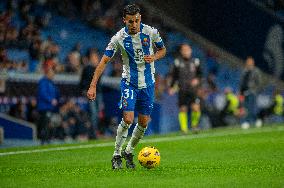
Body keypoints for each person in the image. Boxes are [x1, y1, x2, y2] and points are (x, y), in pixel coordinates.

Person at [87, 4, 166, 169]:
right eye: (131, 21)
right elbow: (103, 62)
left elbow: (163, 50)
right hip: (129, 83)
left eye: (137, 20)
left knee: (144, 122)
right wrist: (93, 85)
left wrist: (154, 57)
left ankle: (128, 150)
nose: (134, 24)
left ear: (140, 19)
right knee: (128, 119)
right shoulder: (118, 38)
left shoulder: (151, 32)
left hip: (148, 85)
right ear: (124, 20)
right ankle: (116, 154)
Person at [168, 44, 202, 133]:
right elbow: (174, 76)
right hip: (182, 89)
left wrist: (197, 80)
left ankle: (194, 126)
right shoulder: (177, 62)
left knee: (196, 108)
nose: (186, 51)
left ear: (191, 50)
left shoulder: (196, 61)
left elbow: (200, 75)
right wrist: (172, 87)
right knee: (183, 108)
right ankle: (184, 129)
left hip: (193, 89)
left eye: (188, 50)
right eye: (184, 50)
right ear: (181, 52)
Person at [36, 64, 60, 144]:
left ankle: (48, 139)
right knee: (45, 124)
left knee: (50, 124)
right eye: (52, 73)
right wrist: (51, 100)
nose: (53, 75)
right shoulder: (43, 82)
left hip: (50, 107)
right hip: (44, 107)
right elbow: (43, 93)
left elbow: (56, 93)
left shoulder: (51, 83)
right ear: (47, 73)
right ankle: (43, 140)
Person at [239, 56, 261, 129]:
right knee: (245, 108)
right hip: (244, 92)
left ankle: (252, 120)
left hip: (252, 92)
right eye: (247, 61)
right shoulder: (244, 71)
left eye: (250, 61)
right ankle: (249, 121)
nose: (248, 63)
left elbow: (259, 82)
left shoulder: (256, 71)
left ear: (253, 62)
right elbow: (241, 83)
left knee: (251, 108)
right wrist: (240, 92)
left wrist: (255, 90)